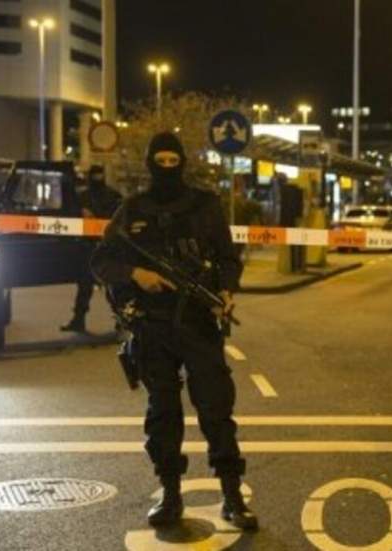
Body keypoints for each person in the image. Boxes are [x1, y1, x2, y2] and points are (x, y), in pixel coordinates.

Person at [91, 132, 257, 530]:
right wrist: (137, 273)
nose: (168, 168)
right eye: (160, 160)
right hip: (153, 326)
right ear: (150, 163)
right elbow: (101, 261)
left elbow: (227, 258)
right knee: (163, 413)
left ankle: (232, 495)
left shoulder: (205, 207)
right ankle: (170, 493)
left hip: (199, 321)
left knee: (216, 409)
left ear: (183, 162)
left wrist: (227, 291)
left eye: (173, 161)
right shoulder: (132, 210)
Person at [61, 165, 121, 333]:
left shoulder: (112, 196)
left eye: (99, 174)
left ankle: (120, 321)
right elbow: (72, 215)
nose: (97, 178)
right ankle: (78, 320)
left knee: (111, 286)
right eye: (95, 174)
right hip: (88, 246)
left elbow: (117, 218)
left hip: (106, 247)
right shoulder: (83, 197)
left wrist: (95, 216)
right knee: (85, 286)